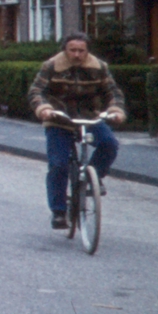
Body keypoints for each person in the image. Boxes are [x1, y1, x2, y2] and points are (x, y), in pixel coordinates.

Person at [28, 32, 126, 229]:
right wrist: (44, 108)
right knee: (58, 164)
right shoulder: (51, 66)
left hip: (90, 118)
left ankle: (93, 177)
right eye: (72, 50)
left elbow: (112, 92)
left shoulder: (99, 67)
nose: (77, 54)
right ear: (65, 49)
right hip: (59, 119)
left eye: (81, 50)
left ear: (87, 51)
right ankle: (58, 212)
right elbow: (36, 91)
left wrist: (115, 110)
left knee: (109, 144)